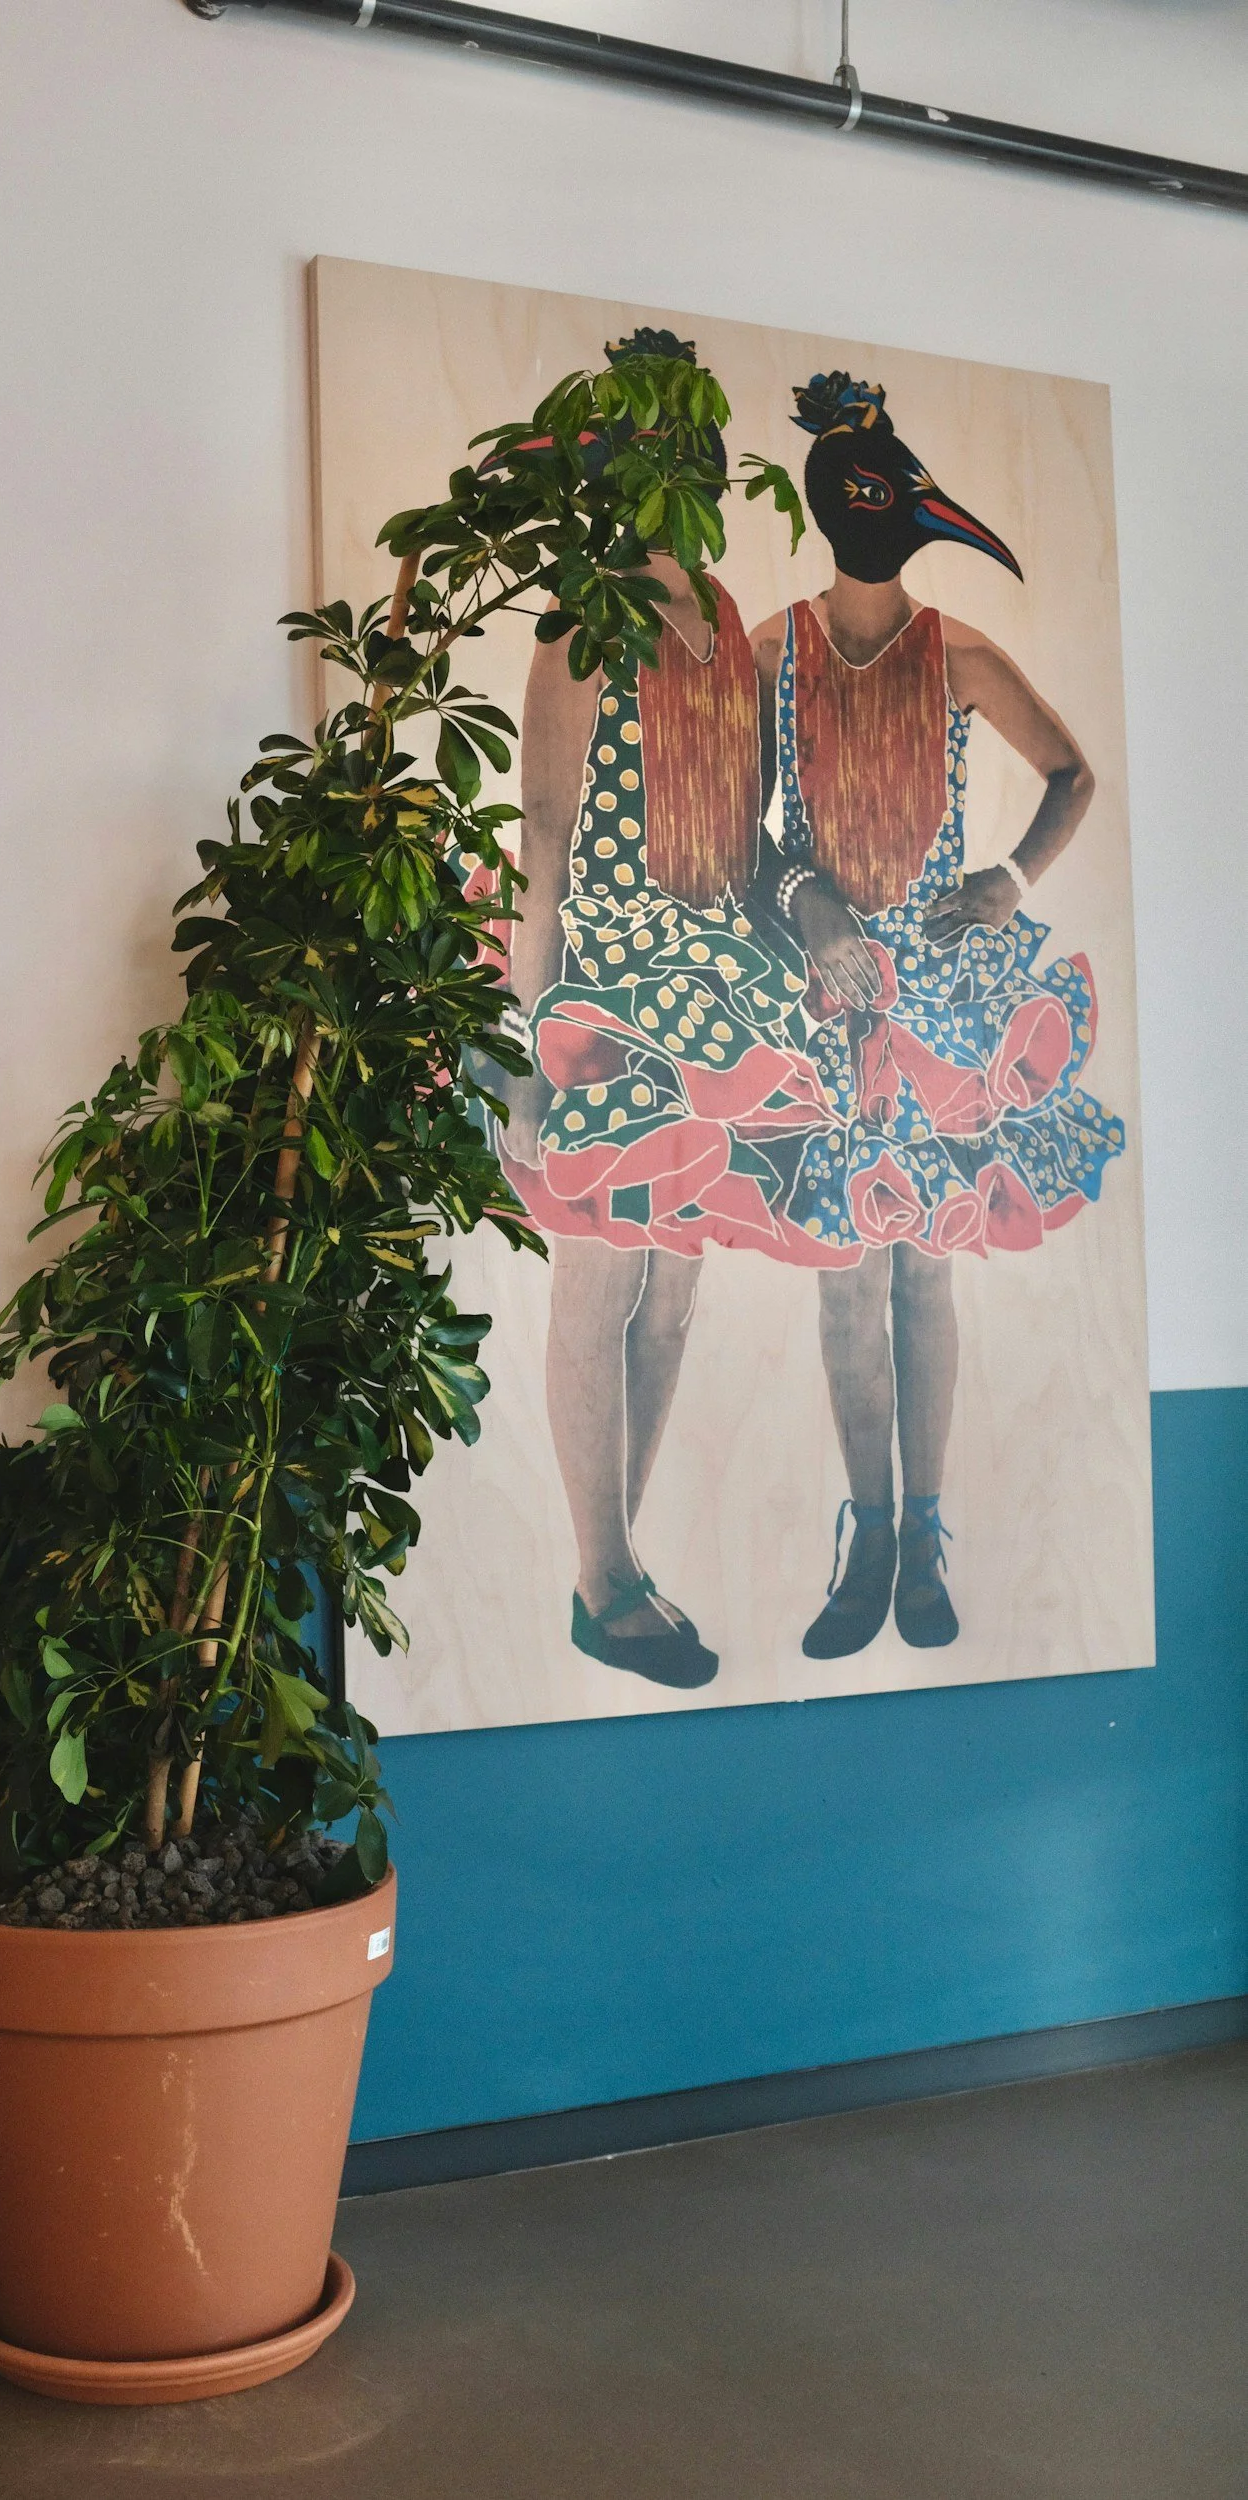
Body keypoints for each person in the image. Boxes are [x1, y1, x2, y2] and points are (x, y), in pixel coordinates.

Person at [746, 372, 1125, 1659]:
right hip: (824, 995)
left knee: (923, 1271)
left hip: (942, 998)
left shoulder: (956, 655)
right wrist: (802, 900)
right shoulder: (772, 653)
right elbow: (737, 829)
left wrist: (1008, 877)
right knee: (845, 1286)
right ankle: (867, 1535)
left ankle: (921, 1530)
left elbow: (1070, 774)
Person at [498, 343, 826, 1688]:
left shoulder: (720, 616)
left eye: (691, 442)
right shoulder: (581, 624)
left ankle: (613, 1562)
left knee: (675, 1287)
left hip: (713, 977)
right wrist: (529, 1048)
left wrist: (805, 919)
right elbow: (544, 838)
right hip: (610, 978)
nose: (681, 467)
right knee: (603, 1272)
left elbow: (744, 829)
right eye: (650, 447)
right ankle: (602, 1576)